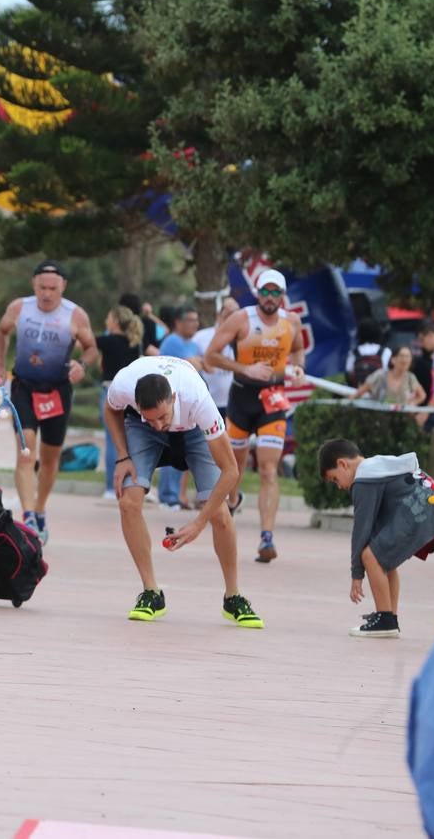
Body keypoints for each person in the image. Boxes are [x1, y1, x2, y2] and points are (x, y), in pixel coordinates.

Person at [104, 356, 264, 628]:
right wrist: (122, 456)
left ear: (174, 398)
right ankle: (152, 592)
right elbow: (110, 410)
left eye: (162, 417)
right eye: (150, 417)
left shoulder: (198, 399)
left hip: (192, 433)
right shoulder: (124, 384)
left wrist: (199, 522)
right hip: (139, 432)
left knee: (220, 515)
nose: (159, 424)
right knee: (128, 502)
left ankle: (233, 596)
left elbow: (231, 471)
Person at [203, 269, 305, 563]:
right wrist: (244, 368)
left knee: (268, 469)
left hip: (273, 401)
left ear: (282, 296)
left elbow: (297, 351)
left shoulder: (291, 322)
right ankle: (233, 500)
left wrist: (297, 369)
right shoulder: (241, 319)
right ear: (257, 293)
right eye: (266, 291)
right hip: (241, 398)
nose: (270, 297)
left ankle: (266, 538)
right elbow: (211, 356)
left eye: (276, 292)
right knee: (232, 469)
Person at [0, 260, 98, 541]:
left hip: (57, 391)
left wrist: (82, 366)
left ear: (63, 286)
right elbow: (1, 332)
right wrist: (0, 367)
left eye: (53, 288)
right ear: (34, 285)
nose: (47, 293)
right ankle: (28, 516)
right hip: (24, 387)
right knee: (27, 454)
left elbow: (91, 349)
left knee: (50, 459)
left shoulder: (75, 315)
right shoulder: (19, 308)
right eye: (42, 287)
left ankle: (39, 508)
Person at [319, 438, 434, 637]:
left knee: (370, 556)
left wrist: (356, 574)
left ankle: (385, 619)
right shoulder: (378, 466)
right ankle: (389, 618)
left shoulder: (364, 479)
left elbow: (361, 530)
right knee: (382, 557)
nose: (338, 486)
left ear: (343, 464)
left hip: (422, 509)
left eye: (334, 479)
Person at [157, 306, 205, 510]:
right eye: (190, 320)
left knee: (183, 451)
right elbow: (167, 367)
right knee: (171, 448)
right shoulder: (171, 342)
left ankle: (176, 494)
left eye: (196, 320)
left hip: (189, 403)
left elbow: (203, 365)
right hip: (171, 401)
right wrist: (191, 363)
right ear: (179, 322)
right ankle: (168, 496)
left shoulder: (194, 344)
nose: (195, 324)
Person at [96, 305, 143, 500]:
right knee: (131, 441)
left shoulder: (107, 341)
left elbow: (85, 343)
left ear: (114, 321)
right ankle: (133, 484)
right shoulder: (134, 344)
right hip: (130, 395)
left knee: (112, 440)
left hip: (110, 391)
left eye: (109, 317)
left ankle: (110, 487)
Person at [193, 296, 239, 418]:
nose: (232, 319)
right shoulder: (200, 337)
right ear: (219, 316)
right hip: (207, 404)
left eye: (236, 314)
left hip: (235, 404)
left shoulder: (243, 338)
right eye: (229, 314)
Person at [352, 346, 425, 407]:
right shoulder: (380, 375)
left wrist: (411, 404)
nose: (405, 359)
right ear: (393, 359)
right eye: (402, 356)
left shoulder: (410, 378)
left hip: (401, 419)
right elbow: (358, 393)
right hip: (378, 418)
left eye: (408, 356)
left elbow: (422, 395)